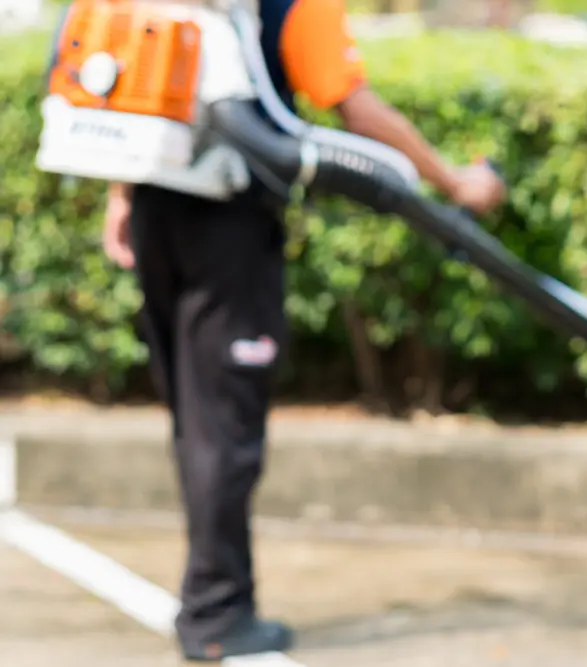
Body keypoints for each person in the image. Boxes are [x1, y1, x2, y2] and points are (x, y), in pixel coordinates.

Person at [100, 0, 506, 661]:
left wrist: (121, 195)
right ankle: (217, 613)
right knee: (224, 426)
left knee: (195, 416)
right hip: (227, 226)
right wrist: (453, 181)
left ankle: (208, 597)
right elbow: (354, 106)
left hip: (155, 206)